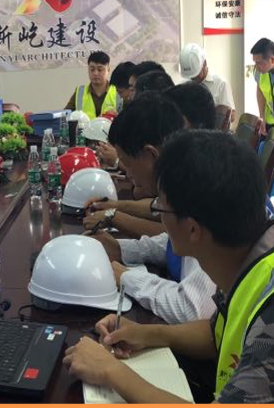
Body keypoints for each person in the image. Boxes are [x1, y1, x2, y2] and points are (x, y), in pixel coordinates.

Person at [65, 131, 274, 403]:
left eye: (160, 209)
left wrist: (110, 371)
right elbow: (216, 333)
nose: (158, 219)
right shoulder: (255, 259)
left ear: (193, 229)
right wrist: (146, 334)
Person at [84, 93, 217, 324]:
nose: (127, 173)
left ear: (151, 155)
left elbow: (192, 309)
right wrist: (122, 249)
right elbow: (174, 245)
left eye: (126, 162)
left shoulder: (203, 192)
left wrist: (127, 278)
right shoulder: (187, 179)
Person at [179, 43, 235, 123]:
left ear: (204, 63)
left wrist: (212, 112)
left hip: (214, 130)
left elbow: (232, 116)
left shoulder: (221, 84)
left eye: (196, 75)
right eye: (191, 76)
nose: (193, 79)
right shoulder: (183, 85)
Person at [65, 51, 118, 119]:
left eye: (100, 70)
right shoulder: (80, 92)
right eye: (92, 69)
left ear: (108, 70)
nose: (95, 73)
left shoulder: (117, 91)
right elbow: (66, 115)